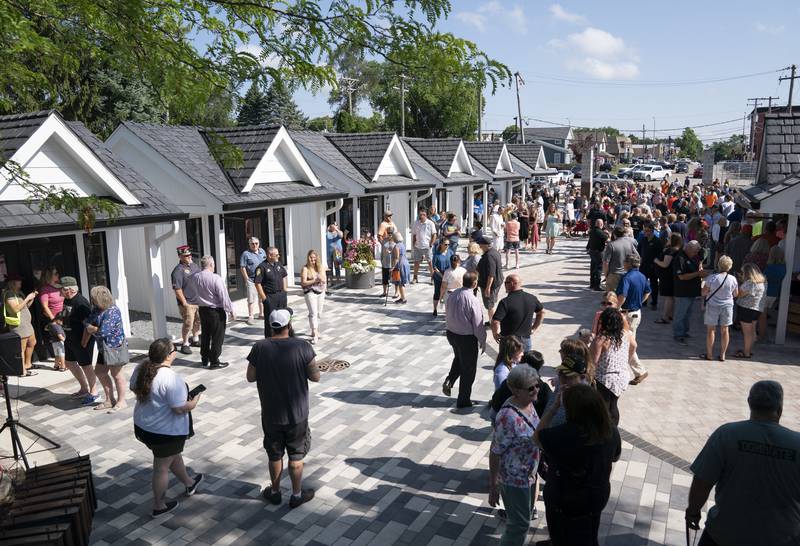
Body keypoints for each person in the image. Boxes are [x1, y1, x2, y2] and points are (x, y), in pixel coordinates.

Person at [686, 380, 800, 546]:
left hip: (725, 534)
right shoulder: (796, 444)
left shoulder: (726, 434)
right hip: (783, 538)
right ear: (780, 408)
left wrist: (693, 512)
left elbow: (702, 482)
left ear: (749, 403)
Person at [246, 309, 320, 509]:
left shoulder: (259, 347)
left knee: (274, 454)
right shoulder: (303, 346)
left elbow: (250, 376)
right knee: (296, 455)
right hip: (297, 414)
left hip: (271, 413)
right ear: (290, 325)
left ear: (271, 326)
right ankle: (296, 495)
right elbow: (315, 376)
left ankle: (275, 492)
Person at [536, 384, 622, 546]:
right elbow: (616, 457)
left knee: (562, 538)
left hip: (565, 501)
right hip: (597, 496)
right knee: (590, 533)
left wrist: (554, 408)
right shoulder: (610, 430)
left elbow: (536, 438)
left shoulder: (561, 435)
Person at [131, 338, 203, 517]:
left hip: (143, 426)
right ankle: (158, 505)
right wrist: (194, 401)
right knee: (161, 467)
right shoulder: (171, 378)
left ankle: (189, 482)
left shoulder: (140, 368)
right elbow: (179, 408)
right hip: (164, 432)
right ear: (169, 356)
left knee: (171, 456)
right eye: (174, 350)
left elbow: (135, 388)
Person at [488, 365, 541, 546]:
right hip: (514, 480)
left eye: (537, 385)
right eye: (530, 387)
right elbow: (495, 452)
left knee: (522, 520)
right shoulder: (507, 416)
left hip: (529, 475)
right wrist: (493, 485)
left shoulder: (529, 403)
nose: (536, 390)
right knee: (518, 525)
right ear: (516, 390)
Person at [443, 271, 486, 408]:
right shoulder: (472, 300)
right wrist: (482, 340)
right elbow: (478, 323)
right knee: (469, 369)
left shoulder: (453, 294)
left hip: (451, 333)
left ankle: (450, 380)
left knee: (459, 358)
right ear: (475, 283)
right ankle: (463, 400)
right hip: (466, 338)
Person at [85, 286, 129, 411]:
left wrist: (92, 329)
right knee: (100, 372)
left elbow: (103, 332)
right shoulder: (97, 309)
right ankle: (110, 400)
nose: (92, 301)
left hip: (114, 347)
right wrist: (92, 327)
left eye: (93, 298)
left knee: (117, 374)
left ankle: (122, 401)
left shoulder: (112, 311)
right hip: (103, 348)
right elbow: (87, 322)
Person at [590, 307, 635, 426]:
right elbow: (634, 346)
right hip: (621, 376)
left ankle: (605, 432)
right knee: (613, 404)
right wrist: (626, 361)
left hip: (604, 378)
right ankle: (613, 431)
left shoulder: (602, 338)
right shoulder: (626, 334)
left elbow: (593, 361)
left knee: (604, 407)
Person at [61, 276, 98, 405]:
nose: (59, 291)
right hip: (70, 338)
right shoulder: (67, 299)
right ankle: (84, 388)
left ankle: (94, 392)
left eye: (61, 288)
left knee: (86, 365)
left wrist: (84, 341)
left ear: (69, 290)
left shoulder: (81, 303)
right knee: (70, 363)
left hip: (81, 340)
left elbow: (89, 325)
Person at [194, 256, 234, 369]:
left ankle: (204, 358)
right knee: (217, 337)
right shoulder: (215, 278)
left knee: (205, 335)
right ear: (211, 264)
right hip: (215, 311)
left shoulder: (196, 277)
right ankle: (214, 361)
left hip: (203, 310)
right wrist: (230, 310)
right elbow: (223, 296)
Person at [616, 254, 650, 385]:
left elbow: (622, 295)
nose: (623, 263)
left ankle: (639, 371)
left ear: (629, 264)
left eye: (625, 261)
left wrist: (616, 309)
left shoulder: (626, 277)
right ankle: (637, 371)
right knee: (628, 343)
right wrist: (639, 303)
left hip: (627, 314)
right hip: (636, 313)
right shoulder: (642, 276)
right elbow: (648, 291)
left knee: (627, 344)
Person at [491, 274, 545, 353]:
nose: (504, 285)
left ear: (512, 283)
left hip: (509, 342)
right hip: (526, 340)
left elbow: (495, 321)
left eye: (506, 283)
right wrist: (533, 328)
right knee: (524, 363)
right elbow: (541, 312)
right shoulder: (531, 298)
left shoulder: (505, 302)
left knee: (507, 364)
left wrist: (495, 334)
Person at [701, 256, 738, 362]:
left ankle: (709, 354)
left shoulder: (712, 278)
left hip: (713, 305)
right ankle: (722, 355)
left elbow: (703, 292)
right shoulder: (733, 279)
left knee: (711, 330)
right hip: (727, 306)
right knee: (725, 330)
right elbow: (735, 294)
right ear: (730, 266)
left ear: (719, 265)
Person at [672, 240, 708, 344]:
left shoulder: (692, 257)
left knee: (687, 313)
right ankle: (678, 334)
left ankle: (684, 331)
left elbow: (696, 268)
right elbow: (681, 276)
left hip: (691, 291)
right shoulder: (680, 258)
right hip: (683, 291)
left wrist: (699, 271)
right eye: (695, 251)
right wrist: (698, 273)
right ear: (688, 248)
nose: (696, 253)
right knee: (680, 314)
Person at [2, 274, 38, 377]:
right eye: (19, 281)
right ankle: (22, 371)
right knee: (21, 349)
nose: (21, 283)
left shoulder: (19, 293)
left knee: (32, 342)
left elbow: (25, 307)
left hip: (26, 323)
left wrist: (31, 299)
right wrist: (27, 298)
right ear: (12, 283)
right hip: (19, 325)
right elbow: (15, 309)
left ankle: (27, 364)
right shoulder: (9, 294)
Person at [170, 246, 201, 355]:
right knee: (188, 324)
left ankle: (195, 339)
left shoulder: (194, 266)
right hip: (188, 302)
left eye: (190, 255)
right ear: (180, 256)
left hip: (198, 300)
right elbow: (177, 289)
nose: (189, 257)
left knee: (197, 321)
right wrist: (184, 303)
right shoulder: (178, 270)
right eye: (186, 255)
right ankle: (185, 343)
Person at [255, 247, 288, 338]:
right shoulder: (262, 267)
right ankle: (270, 340)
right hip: (270, 297)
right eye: (276, 255)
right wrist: (264, 299)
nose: (279, 256)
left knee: (283, 317)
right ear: (269, 255)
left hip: (281, 295)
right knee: (270, 319)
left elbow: (284, 275)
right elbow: (257, 283)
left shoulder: (278, 264)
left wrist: (285, 290)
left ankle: (283, 337)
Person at [735, 263, 766, 359]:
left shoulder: (749, 283)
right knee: (752, 332)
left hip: (746, 309)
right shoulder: (763, 282)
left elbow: (738, 294)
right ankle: (748, 350)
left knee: (747, 333)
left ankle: (746, 353)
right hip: (757, 309)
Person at [654, 233, 682, 324]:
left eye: (669, 238)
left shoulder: (671, 251)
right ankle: (670, 315)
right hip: (672, 277)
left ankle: (665, 317)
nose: (667, 239)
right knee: (671, 297)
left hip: (667, 277)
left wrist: (657, 261)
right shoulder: (678, 249)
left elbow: (665, 264)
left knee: (668, 297)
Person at [300, 250, 326, 344]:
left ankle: (313, 330)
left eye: (314, 257)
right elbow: (303, 283)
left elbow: (324, 279)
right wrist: (315, 281)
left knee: (319, 313)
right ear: (308, 258)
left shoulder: (320, 267)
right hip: (310, 292)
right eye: (311, 257)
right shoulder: (305, 268)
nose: (313, 259)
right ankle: (315, 333)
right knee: (313, 313)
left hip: (321, 292)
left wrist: (322, 282)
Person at [476, 236, 504, 323]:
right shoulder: (494, 251)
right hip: (497, 282)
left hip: (491, 284)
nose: (479, 246)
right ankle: (493, 320)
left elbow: (491, 274)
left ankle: (493, 322)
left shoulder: (489, 256)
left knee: (489, 305)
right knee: (491, 302)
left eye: (480, 244)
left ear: (485, 245)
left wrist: (488, 288)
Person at [603, 226, 639, 292]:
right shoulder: (629, 244)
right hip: (627, 273)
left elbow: (606, 263)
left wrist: (606, 275)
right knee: (624, 295)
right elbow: (637, 257)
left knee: (611, 297)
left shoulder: (611, 245)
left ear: (614, 234)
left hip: (614, 274)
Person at [240, 237, 267, 325]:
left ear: (259, 244)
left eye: (256, 243)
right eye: (252, 243)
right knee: (251, 299)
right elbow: (242, 267)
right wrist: (246, 279)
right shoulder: (246, 254)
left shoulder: (262, 251)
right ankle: (251, 316)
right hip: (252, 280)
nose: (254, 245)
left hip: (262, 279)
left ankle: (261, 314)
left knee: (262, 297)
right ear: (249, 244)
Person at [638, 222, 663, 309]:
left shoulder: (657, 241)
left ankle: (654, 303)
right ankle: (643, 301)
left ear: (652, 231)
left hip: (653, 267)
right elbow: (639, 250)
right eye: (645, 231)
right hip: (643, 266)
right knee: (642, 284)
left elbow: (660, 254)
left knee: (654, 285)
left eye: (647, 231)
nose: (645, 232)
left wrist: (656, 263)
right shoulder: (643, 240)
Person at [411, 209, 437, 283]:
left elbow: (434, 234)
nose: (422, 216)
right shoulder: (416, 223)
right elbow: (414, 235)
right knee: (416, 262)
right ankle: (415, 278)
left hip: (427, 246)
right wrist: (413, 245)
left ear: (426, 215)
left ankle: (432, 278)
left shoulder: (430, 223)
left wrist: (431, 244)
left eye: (423, 215)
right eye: (420, 215)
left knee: (430, 263)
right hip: (418, 246)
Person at [431, 239, 453, 317]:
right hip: (438, 277)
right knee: (437, 293)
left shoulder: (450, 252)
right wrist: (441, 275)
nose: (447, 246)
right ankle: (435, 309)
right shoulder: (436, 254)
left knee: (447, 293)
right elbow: (434, 267)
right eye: (445, 244)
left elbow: (453, 262)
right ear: (441, 244)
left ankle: (447, 310)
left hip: (448, 276)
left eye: (448, 244)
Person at [587, 219, 608, 291]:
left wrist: (587, 247)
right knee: (598, 268)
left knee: (593, 267)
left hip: (592, 251)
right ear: (601, 225)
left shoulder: (592, 231)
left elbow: (590, 240)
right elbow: (607, 238)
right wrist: (607, 233)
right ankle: (597, 285)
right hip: (598, 252)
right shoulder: (600, 232)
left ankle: (592, 284)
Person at [390, 231, 411, 304]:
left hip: (400, 265)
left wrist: (393, 267)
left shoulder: (396, 246)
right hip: (405, 263)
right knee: (401, 282)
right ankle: (402, 297)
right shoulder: (402, 244)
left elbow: (397, 258)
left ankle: (403, 299)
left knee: (400, 282)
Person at [379, 227, 397, 299]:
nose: (389, 234)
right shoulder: (384, 241)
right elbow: (382, 252)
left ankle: (396, 292)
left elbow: (397, 253)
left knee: (395, 279)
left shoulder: (395, 241)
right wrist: (381, 260)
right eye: (388, 233)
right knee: (385, 278)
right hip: (385, 262)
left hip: (393, 263)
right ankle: (384, 292)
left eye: (391, 233)